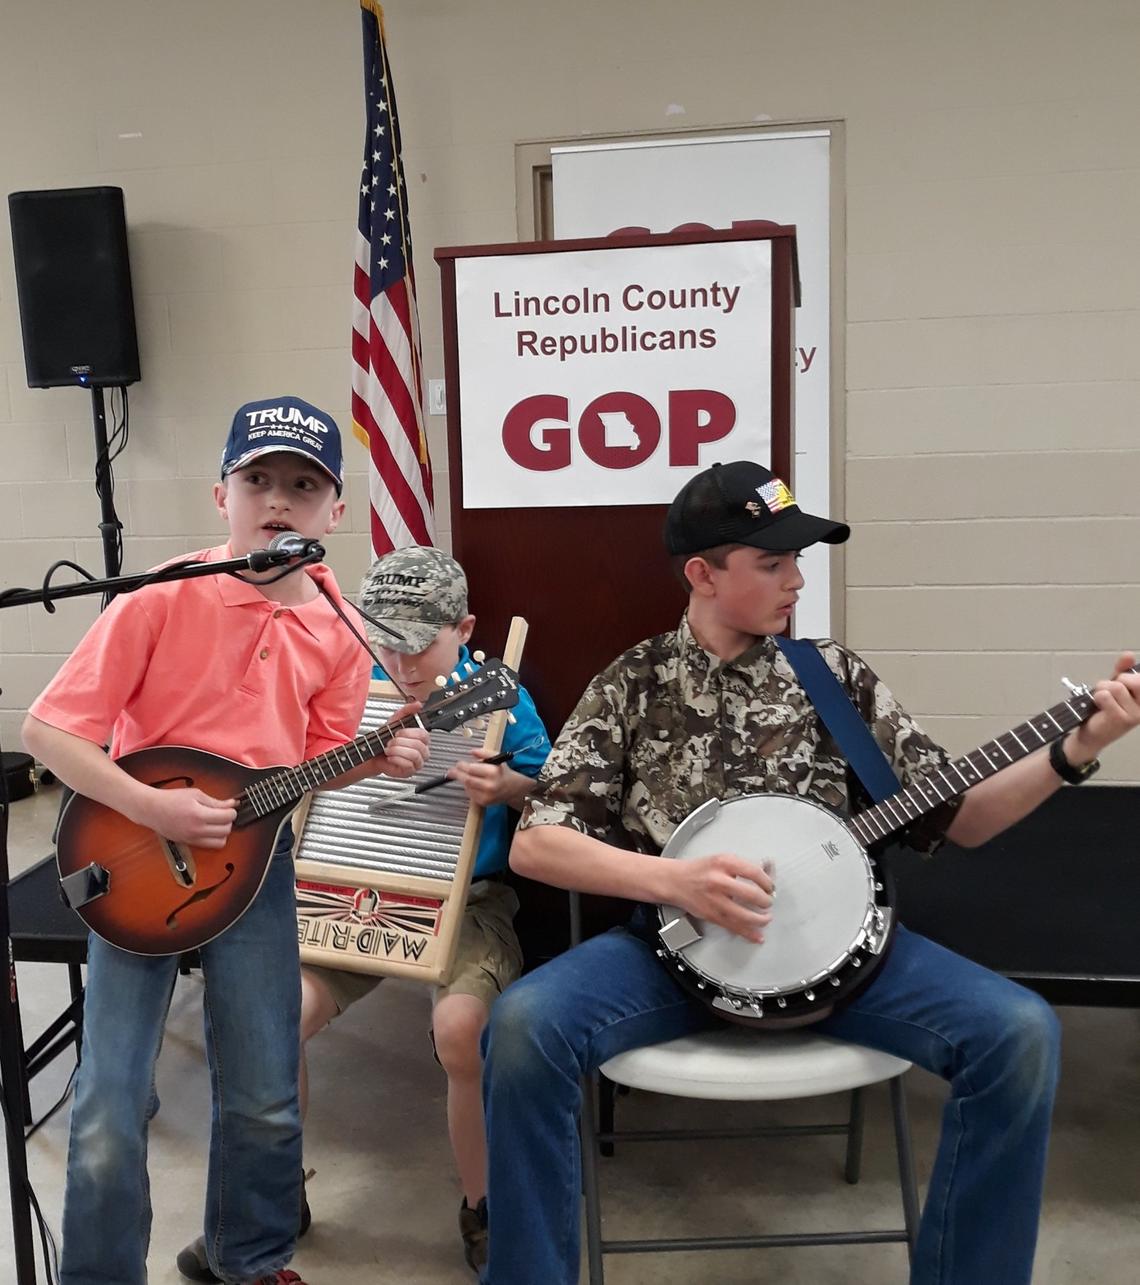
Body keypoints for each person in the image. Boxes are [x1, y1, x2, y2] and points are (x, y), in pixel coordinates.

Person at [480, 459, 1140, 1285]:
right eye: (773, 561)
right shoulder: (633, 683)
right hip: (671, 952)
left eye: (800, 558)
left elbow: (962, 817)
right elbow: (537, 843)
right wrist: (674, 883)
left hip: (846, 959)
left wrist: (1075, 749)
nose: (797, 579)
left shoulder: (833, 678)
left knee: (1020, 1034)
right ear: (703, 573)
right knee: (520, 1026)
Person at [22, 395, 431, 1285]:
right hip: (133, 861)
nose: (277, 499)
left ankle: (245, 1259)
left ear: (335, 511)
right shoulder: (160, 597)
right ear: (222, 495)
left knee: (264, 1098)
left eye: (302, 483)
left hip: (256, 871)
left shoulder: (335, 624)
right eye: (258, 479)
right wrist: (154, 807)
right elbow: (48, 734)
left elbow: (318, 759)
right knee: (105, 1107)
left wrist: (380, 756)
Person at [177, 545, 550, 1282]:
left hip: (464, 901)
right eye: (385, 641)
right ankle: (273, 1198)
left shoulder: (498, 695)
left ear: (465, 628)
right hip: (342, 890)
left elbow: (560, 789)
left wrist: (506, 784)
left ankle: (484, 1205)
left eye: (421, 645)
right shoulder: (344, 686)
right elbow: (281, 769)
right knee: (273, 1016)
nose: (403, 663)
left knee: (462, 1029)